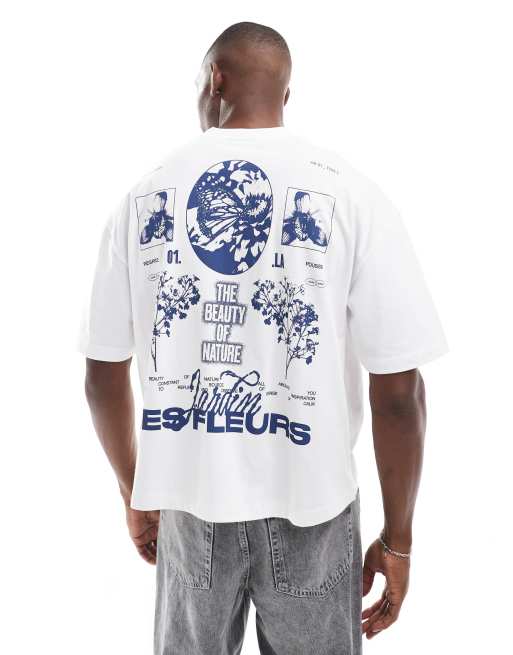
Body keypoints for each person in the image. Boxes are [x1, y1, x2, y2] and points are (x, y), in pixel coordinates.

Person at [80, 22, 448, 655]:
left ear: (214, 79)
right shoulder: (350, 193)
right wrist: (399, 538)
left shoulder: (144, 198)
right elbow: (399, 393)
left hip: (190, 505)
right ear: (286, 94)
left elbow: (102, 374)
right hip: (313, 504)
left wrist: (134, 488)